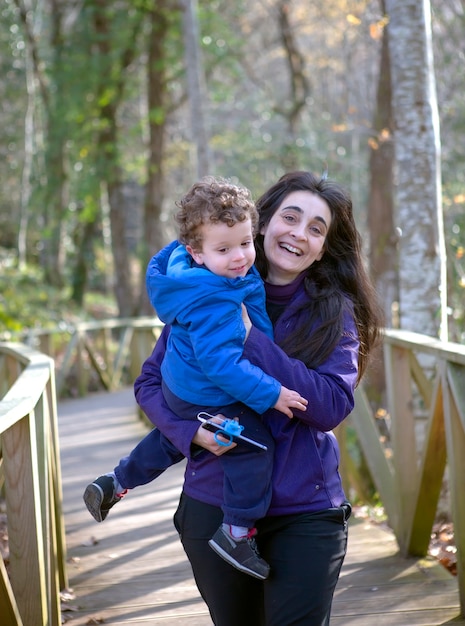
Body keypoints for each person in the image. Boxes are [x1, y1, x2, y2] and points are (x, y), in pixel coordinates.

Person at [129, 170, 383, 626]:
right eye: (291, 217)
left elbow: (329, 407)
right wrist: (191, 434)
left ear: (324, 247)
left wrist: (253, 341)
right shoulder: (208, 291)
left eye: (316, 228)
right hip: (214, 503)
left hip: (306, 513)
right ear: (264, 222)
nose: (298, 234)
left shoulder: (334, 314)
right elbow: (148, 384)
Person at [84, 176, 307, 580]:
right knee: (253, 445)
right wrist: (271, 393)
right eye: (224, 249)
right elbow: (222, 365)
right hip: (207, 390)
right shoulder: (216, 299)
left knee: (169, 440)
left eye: (244, 243)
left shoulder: (191, 276)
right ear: (196, 253)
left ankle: (116, 481)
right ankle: (236, 532)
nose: (239, 257)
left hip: (180, 388)